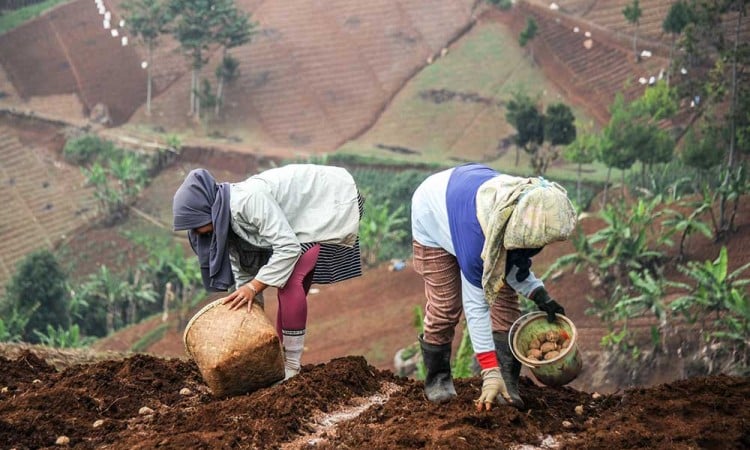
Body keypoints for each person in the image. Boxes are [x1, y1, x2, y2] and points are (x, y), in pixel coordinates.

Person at [173, 164, 364, 379]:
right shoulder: (223, 220)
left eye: (196, 225)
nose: (196, 233)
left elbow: (288, 247)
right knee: (284, 286)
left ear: (206, 210)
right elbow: (243, 270)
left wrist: (253, 287)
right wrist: (250, 311)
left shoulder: (246, 201)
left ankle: (291, 366)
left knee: (290, 283)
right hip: (295, 223)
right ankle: (280, 361)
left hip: (328, 200)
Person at [411, 163, 576, 411]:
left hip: (465, 195)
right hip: (432, 214)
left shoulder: (523, 205)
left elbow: (511, 263)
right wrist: (489, 370)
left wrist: (539, 294)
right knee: (446, 306)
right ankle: (439, 379)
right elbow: (476, 306)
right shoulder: (477, 238)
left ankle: (507, 383)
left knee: (507, 305)